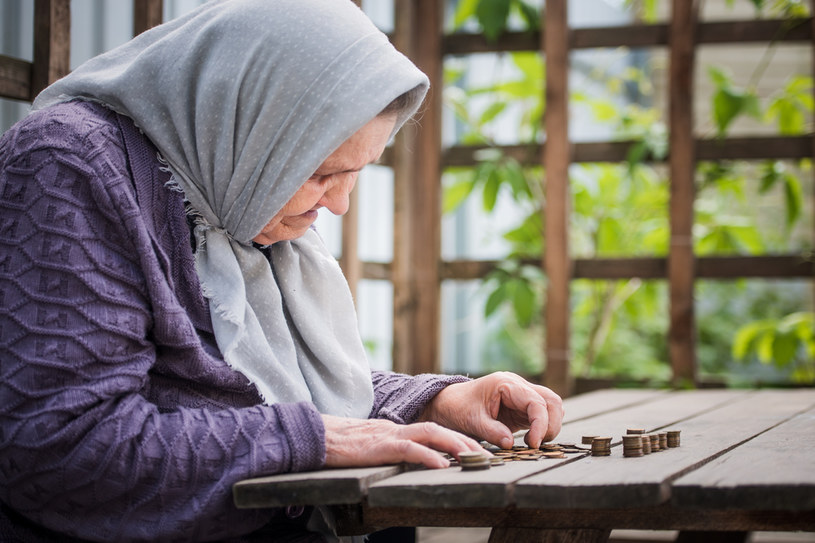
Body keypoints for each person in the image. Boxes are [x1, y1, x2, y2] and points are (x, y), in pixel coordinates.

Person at [0, 0, 563, 541]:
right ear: (250, 125)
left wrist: (434, 402)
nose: (339, 205)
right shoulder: (70, 167)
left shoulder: (238, 185)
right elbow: (56, 447)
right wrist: (311, 441)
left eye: (356, 172)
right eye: (321, 172)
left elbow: (264, 388)